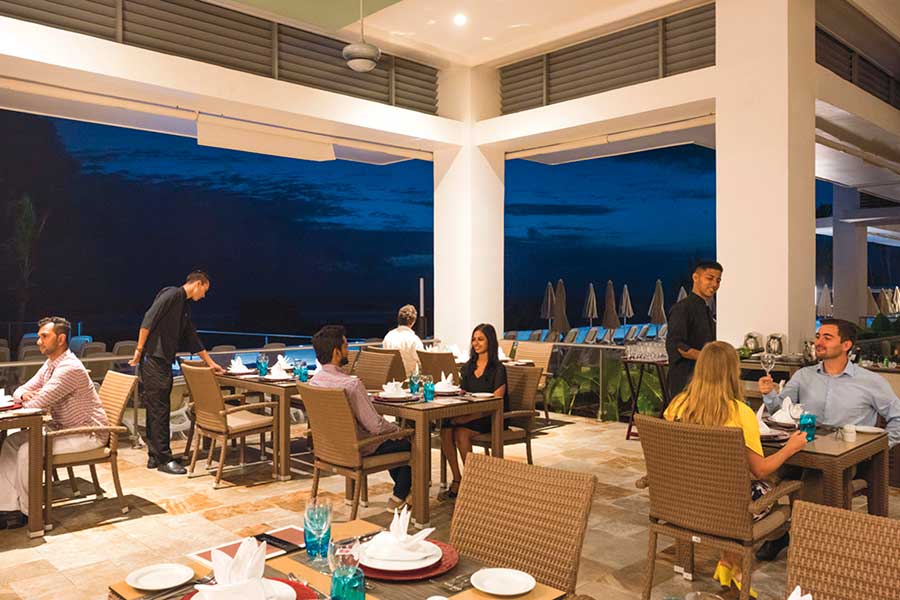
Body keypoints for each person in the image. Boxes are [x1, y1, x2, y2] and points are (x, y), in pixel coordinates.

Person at [665, 341, 807, 598]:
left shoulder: (677, 406)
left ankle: (729, 564)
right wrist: (790, 448)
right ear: (733, 372)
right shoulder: (740, 412)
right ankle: (735, 569)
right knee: (766, 488)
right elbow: (760, 469)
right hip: (726, 512)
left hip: (681, 503)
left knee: (728, 490)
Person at [755, 317, 900, 561]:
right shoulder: (803, 376)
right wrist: (769, 394)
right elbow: (781, 410)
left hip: (845, 458)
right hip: (800, 450)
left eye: (827, 337)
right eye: (818, 336)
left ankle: (815, 549)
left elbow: (897, 417)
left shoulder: (871, 381)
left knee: (815, 482)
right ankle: (778, 532)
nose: (818, 342)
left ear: (846, 345)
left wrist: (879, 447)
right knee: (760, 474)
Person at [0, 317, 109, 529]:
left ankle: (29, 512)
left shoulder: (69, 368)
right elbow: (21, 389)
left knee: (27, 450)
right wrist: (23, 395)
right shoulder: (52, 363)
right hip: (63, 429)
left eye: (44, 336)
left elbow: (37, 404)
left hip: (88, 433)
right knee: (12, 442)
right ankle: (8, 506)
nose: (38, 341)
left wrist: (29, 397)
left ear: (60, 339)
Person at [128, 270, 224, 475]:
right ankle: (164, 459)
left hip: (162, 361)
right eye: (204, 291)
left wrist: (210, 363)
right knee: (160, 409)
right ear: (198, 284)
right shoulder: (172, 294)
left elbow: (192, 337)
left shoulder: (184, 307)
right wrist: (139, 350)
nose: (204, 296)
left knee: (156, 408)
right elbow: (148, 319)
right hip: (153, 360)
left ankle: (155, 456)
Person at [309, 325, 411, 510]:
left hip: (331, 449)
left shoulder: (314, 382)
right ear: (336, 352)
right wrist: (397, 429)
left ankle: (403, 495)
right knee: (409, 443)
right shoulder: (351, 385)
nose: (348, 350)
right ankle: (402, 496)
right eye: (346, 346)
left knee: (393, 440)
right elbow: (375, 426)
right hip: (359, 449)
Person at [438, 323, 508, 501]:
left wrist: (467, 417)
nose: (476, 343)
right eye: (474, 339)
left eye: (480, 339)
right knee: (445, 430)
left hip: (491, 417)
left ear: (490, 341)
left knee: (461, 433)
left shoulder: (498, 369)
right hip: (470, 414)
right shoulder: (468, 367)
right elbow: (463, 394)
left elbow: (497, 402)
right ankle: (457, 479)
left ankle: (472, 482)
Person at [666, 260, 722, 397]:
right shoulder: (682, 309)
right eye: (710, 278)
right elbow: (677, 345)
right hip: (686, 381)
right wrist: (709, 357)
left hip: (705, 379)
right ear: (695, 277)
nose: (714, 284)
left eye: (718, 280)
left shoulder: (706, 310)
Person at [383, 304, 424, 376]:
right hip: (409, 379)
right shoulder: (414, 339)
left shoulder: (388, 336)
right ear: (413, 322)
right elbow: (423, 361)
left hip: (391, 377)